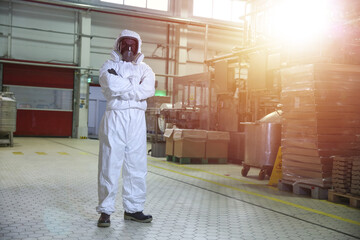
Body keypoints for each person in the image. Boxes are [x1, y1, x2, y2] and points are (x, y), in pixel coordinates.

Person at [96, 29, 155, 227]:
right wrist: (135, 88)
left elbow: (148, 89)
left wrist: (125, 87)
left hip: (137, 119)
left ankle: (133, 209)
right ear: (118, 45)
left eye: (133, 44)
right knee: (109, 164)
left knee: (136, 165)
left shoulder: (145, 69)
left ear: (138, 46)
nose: (129, 49)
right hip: (116, 117)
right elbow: (111, 85)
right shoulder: (108, 65)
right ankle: (105, 211)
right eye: (125, 44)